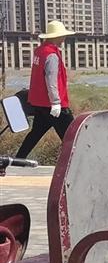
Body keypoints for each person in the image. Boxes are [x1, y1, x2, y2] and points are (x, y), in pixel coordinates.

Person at [16, 21, 76, 159]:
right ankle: (76, 163)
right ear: (56, 36)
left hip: (40, 103)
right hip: (53, 105)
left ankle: (18, 160)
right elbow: (51, 80)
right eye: (62, 36)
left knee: (35, 134)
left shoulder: (40, 51)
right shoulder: (52, 55)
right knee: (72, 136)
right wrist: (56, 103)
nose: (64, 38)